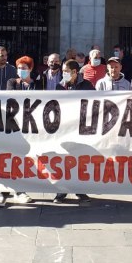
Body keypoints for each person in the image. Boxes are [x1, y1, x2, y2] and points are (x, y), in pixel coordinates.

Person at [0, 56, 37, 207]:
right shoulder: (12, 82)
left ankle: (20, 191)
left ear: (30, 69)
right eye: (19, 67)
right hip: (13, 126)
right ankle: (2, 193)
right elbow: (11, 97)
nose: (21, 70)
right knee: (7, 158)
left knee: (23, 160)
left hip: (31, 127)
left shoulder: (37, 84)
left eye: (24, 68)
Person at [54, 59, 94, 205]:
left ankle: (80, 190)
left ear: (74, 72)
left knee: (80, 160)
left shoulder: (87, 86)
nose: (63, 74)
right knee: (63, 159)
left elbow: (94, 105)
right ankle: (61, 190)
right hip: (64, 129)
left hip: (81, 129)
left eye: (66, 71)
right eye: (63, 71)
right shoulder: (60, 86)